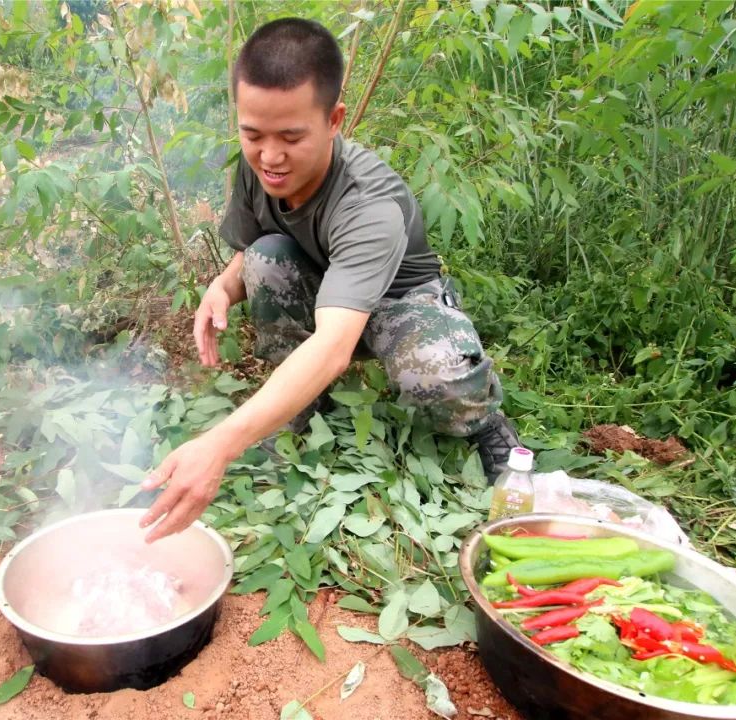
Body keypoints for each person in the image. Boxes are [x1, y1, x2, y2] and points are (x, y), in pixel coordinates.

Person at [139, 18, 518, 543]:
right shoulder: (260, 168)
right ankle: (303, 409)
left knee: (435, 371)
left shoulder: (369, 204)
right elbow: (253, 248)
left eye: (291, 137)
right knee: (266, 258)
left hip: (397, 304)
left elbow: (333, 346)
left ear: (334, 118)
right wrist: (222, 287)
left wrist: (218, 445)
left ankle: (484, 425)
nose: (269, 156)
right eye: (252, 134)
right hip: (327, 294)